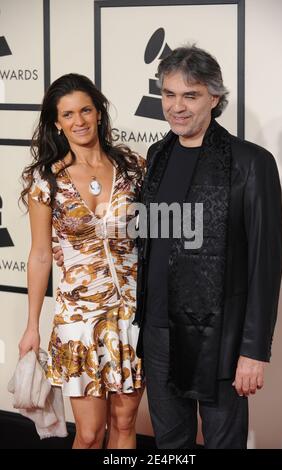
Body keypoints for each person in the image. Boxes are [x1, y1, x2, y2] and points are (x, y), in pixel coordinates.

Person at [133, 46, 282, 449]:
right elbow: (152, 241)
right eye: (168, 94)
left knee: (223, 443)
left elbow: (264, 267)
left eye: (190, 95)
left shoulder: (251, 163)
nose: (176, 107)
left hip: (221, 336)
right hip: (159, 332)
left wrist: (253, 352)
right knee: (170, 446)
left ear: (214, 98)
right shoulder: (157, 155)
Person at [18, 73, 145, 449]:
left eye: (86, 110)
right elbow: (40, 255)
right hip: (79, 319)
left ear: (99, 113)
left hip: (131, 313)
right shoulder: (47, 181)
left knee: (124, 424)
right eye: (68, 114)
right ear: (56, 123)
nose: (79, 121)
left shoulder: (134, 168)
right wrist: (32, 325)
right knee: (89, 435)